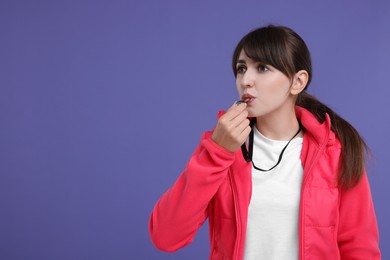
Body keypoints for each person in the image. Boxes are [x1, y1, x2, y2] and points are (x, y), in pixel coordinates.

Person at [148, 25, 381, 260]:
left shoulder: (334, 152)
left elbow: (360, 248)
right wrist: (217, 153)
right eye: (241, 69)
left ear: (297, 82)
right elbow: (166, 236)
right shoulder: (222, 147)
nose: (246, 80)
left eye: (262, 68)